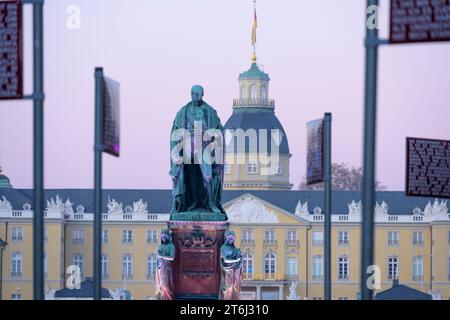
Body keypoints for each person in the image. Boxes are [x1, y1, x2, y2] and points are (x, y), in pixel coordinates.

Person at [170, 85, 226, 219]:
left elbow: (218, 129)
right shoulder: (183, 111)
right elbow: (176, 129)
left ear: (202, 94)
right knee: (190, 176)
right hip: (187, 144)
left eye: (197, 93)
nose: (194, 95)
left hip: (204, 144)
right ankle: (192, 201)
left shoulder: (209, 111)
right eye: (192, 93)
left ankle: (211, 203)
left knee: (208, 176)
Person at [155, 229, 175, 300]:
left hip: (166, 267)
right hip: (159, 268)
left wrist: (161, 256)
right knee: (158, 287)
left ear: (168, 237)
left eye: (164, 236)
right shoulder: (161, 246)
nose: (163, 238)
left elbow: (172, 258)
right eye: (162, 236)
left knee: (165, 286)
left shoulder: (171, 246)